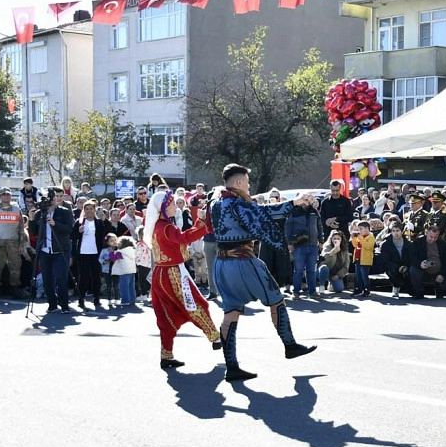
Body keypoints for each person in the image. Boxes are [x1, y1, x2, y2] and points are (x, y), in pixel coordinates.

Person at [209, 163, 317, 383]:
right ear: (239, 183)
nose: (249, 187)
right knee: (276, 300)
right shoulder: (236, 203)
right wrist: (295, 202)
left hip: (221, 265)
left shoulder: (216, 203)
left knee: (231, 313)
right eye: (247, 183)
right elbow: (265, 213)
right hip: (243, 262)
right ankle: (290, 345)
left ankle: (232, 367)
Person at [142, 190, 222, 369]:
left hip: (160, 273)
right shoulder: (167, 227)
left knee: (165, 315)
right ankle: (215, 337)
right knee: (196, 303)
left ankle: (166, 355)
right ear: (163, 208)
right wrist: (201, 222)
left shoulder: (157, 226)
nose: (174, 206)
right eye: (171, 204)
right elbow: (185, 238)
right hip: (173, 273)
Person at [30, 189, 74, 314]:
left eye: (55, 198)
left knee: (61, 278)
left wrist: (55, 224)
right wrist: (32, 219)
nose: (54, 200)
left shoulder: (64, 211)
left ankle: (64, 304)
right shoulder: (39, 213)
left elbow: (69, 229)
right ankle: (52, 304)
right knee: (47, 279)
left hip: (61, 250)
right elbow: (33, 232)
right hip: (44, 250)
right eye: (52, 198)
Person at [0, 188, 30, 300]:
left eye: (8, 195)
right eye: (3, 195)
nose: (6, 196)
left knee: (15, 267)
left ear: (11, 196)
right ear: (0, 196)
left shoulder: (16, 209)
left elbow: (21, 229)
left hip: (13, 243)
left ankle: (15, 289)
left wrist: (21, 245)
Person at [70, 199, 110, 311]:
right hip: (83, 253)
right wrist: (79, 232)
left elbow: (107, 231)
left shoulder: (98, 222)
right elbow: (73, 236)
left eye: (91, 209)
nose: (89, 211)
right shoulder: (79, 222)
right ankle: (81, 298)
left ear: (94, 210)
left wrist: (105, 220)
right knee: (83, 277)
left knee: (96, 277)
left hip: (96, 253)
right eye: (86, 209)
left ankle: (96, 298)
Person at [285, 194, 323, 300]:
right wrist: (289, 243)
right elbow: (288, 228)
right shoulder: (293, 211)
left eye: (307, 199)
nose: (305, 202)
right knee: (298, 270)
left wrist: (321, 241)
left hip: (313, 245)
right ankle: (296, 292)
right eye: (304, 199)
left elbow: (319, 226)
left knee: (311, 271)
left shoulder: (314, 211)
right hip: (299, 245)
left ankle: (312, 292)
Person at [409, 225, 446, 298]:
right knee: (413, 270)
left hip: (438, 272)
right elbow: (412, 258)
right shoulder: (417, 243)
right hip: (423, 271)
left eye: (435, 237)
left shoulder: (443, 245)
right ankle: (419, 292)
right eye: (431, 237)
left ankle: (439, 289)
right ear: (427, 233)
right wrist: (420, 264)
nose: (433, 239)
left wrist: (442, 274)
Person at [378, 223, 410, 298]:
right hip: (393, 267)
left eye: (397, 231)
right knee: (392, 270)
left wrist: (405, 266)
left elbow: (411, 257)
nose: (396, 233)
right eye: (393, 231)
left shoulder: (408, 244)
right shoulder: (386, 245)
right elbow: (386, 260)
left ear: (402, 231)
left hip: (406, 266)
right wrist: (398, 267)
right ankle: (395, 288)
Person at [318, 229, 352, 293]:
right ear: (331, 239)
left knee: (339, 289)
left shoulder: (344, 249)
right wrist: (332, 252)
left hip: (335, 272)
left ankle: (331, 284)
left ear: (341, 239)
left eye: (338, 238)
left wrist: (338, 275)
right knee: (324, 268)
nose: (336, 240)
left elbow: (346, 266)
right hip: (325, 270)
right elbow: (323, 259)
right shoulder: (327, 246)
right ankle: (321, 285)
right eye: (334, 238)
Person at [351, 220, 376, 297]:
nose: (359, 231)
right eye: (358, 229)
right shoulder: (360, 237)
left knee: (364, 276)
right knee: (358, 276)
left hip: (365, 260)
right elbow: (355, 245)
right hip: (358, 259)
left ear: (367, 228)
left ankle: (367, 290)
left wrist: (360, 238)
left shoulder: (371, 237)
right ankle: (359, 289)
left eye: (361, 229)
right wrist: (353, 238)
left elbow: (368, 246)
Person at [111, 236, 138, 307]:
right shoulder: (132, 250)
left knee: (124, 286)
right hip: (132, 270)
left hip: (124, 271)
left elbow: (113, 258)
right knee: (131, 286)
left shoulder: (120, 252)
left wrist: (112, 251)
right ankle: (132, 300)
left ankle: (125, 300)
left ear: (122, 244)